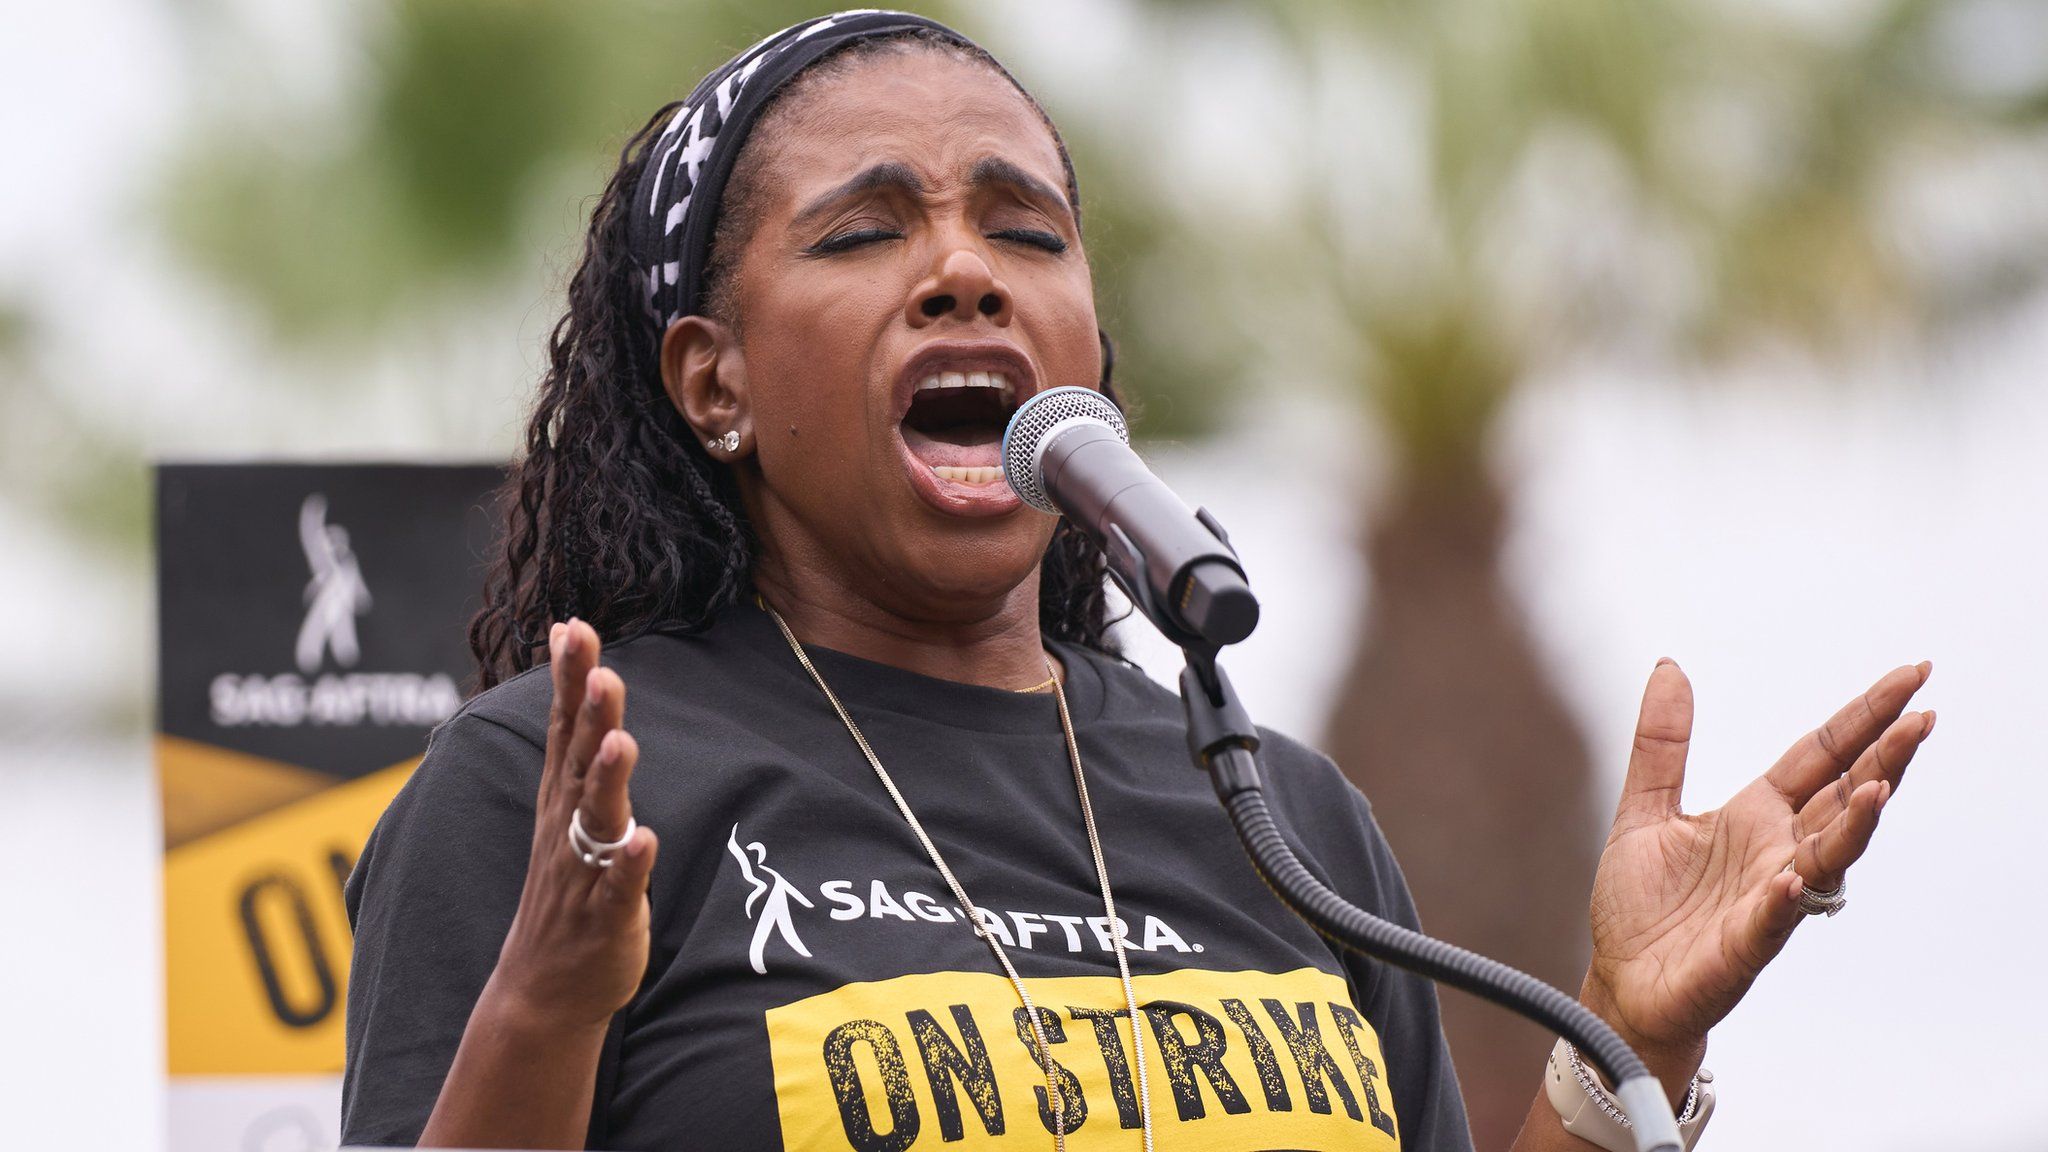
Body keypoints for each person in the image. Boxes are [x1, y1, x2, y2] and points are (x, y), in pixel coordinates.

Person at [340, 12, 1934, 1151]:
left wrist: (1626, 1037)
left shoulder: (1282, 821)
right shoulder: (565, 796)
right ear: (713, 381)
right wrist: (546, 1000)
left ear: (1090, 356)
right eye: (864, 233)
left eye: (1024, 230)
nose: (964, 268)